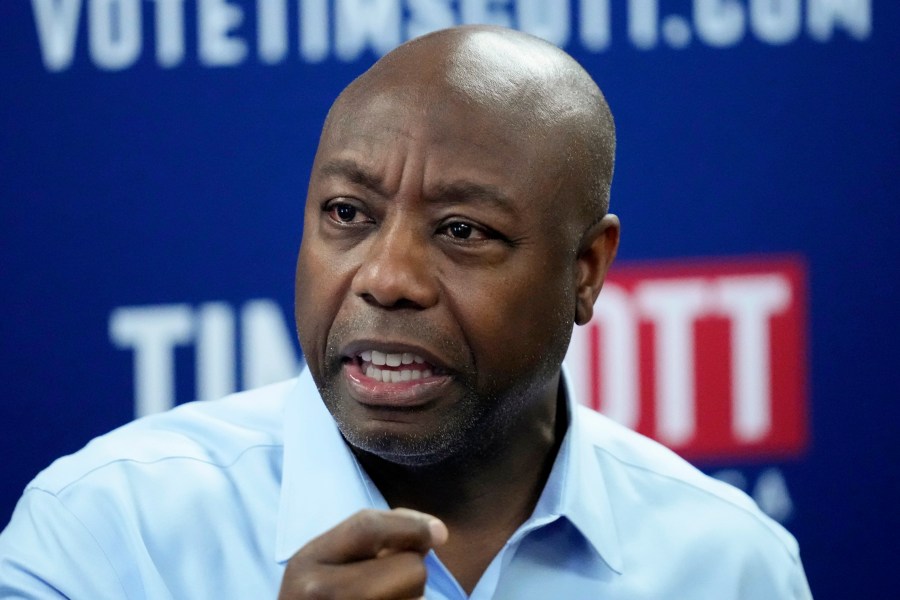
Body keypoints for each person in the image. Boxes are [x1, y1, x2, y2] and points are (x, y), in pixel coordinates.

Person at [0, 25, 811, 599]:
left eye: (463, 231)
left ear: (586, 271)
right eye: (349, 214)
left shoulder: (732, 566)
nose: (385, 278)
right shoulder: (107, 535)